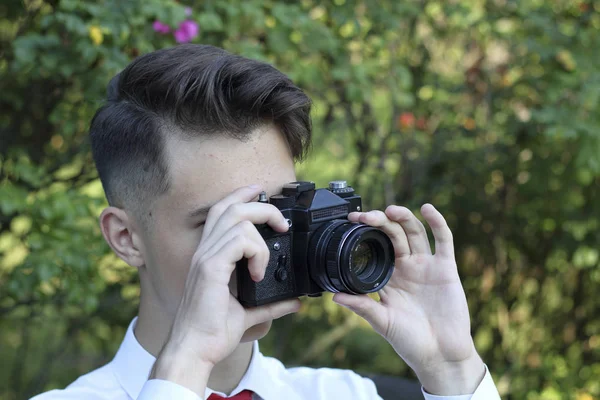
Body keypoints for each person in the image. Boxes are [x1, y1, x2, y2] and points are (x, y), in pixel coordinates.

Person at [32, 44, 500, 400]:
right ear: (126, 237)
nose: (260, 245)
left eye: (282, 210)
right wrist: (186, 364)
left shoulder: (342, 394)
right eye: (223, 225)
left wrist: (451, 368)